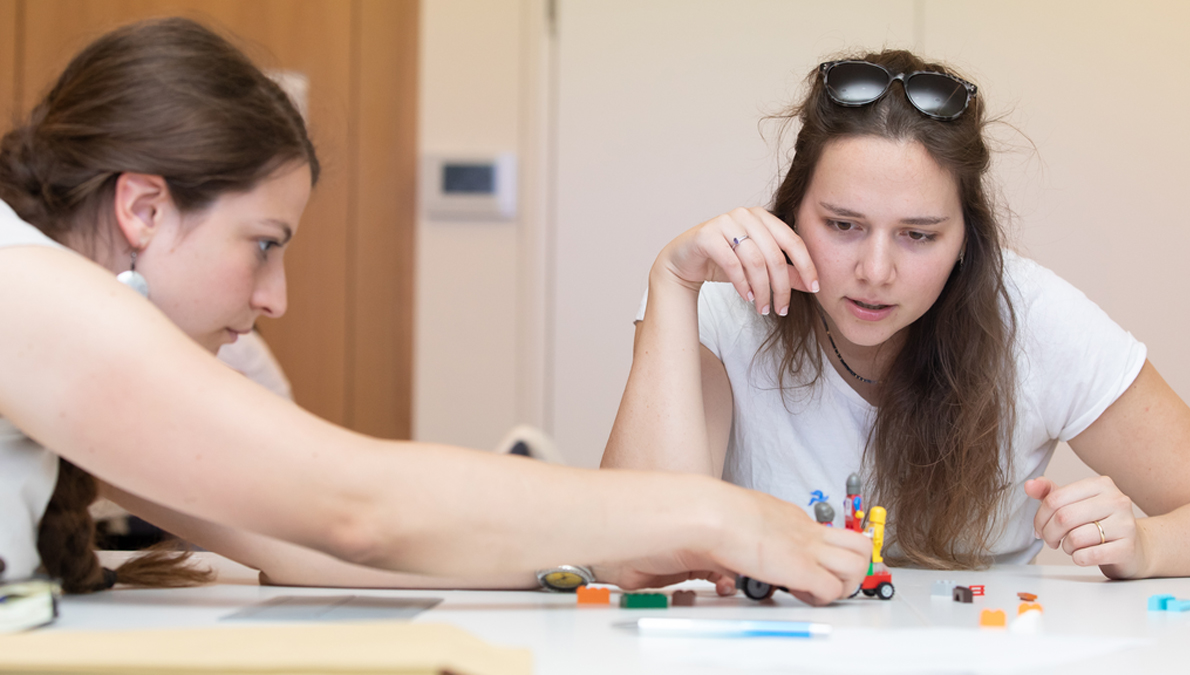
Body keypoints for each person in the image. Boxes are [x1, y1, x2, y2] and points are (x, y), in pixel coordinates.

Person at [0, 17, 871, 605]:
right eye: (263, 241)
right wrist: (710, 512)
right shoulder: (26, 289)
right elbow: (358, 505)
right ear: (143, 209)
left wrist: (596, 557)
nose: (275, 297)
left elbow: (304, 542)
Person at [603, 50, 1190, 578]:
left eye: (918, 235)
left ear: (966, 239)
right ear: (790, 213)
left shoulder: (1033, 316)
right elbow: (632, 554)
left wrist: (1145, 545)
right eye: (842, 225)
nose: (876, 271)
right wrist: (672, 280)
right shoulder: (721, 302)